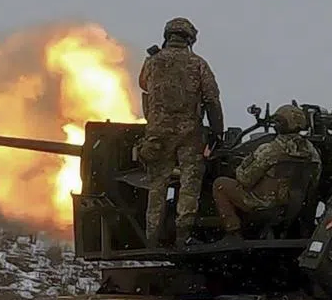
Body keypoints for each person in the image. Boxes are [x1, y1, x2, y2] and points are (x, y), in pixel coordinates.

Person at [137, 17, 224, 247]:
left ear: (168, 36)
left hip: (157, 134)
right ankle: (182, 237)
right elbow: (212, 99)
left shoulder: (152, 62)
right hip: (189, 134)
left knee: (157, 186)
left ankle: (152, 238)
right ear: (190, 39)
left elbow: (144, 84)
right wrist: (217, 132)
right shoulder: (198, 63)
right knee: (189, 184)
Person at [212, 104, 321, 241]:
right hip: (293, 207)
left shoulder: (270, 150)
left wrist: (240, 167)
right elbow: (314, 182)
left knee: (220, 184)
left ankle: (233, 232)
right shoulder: (312, 152)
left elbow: (245, 179)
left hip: (263, 205)